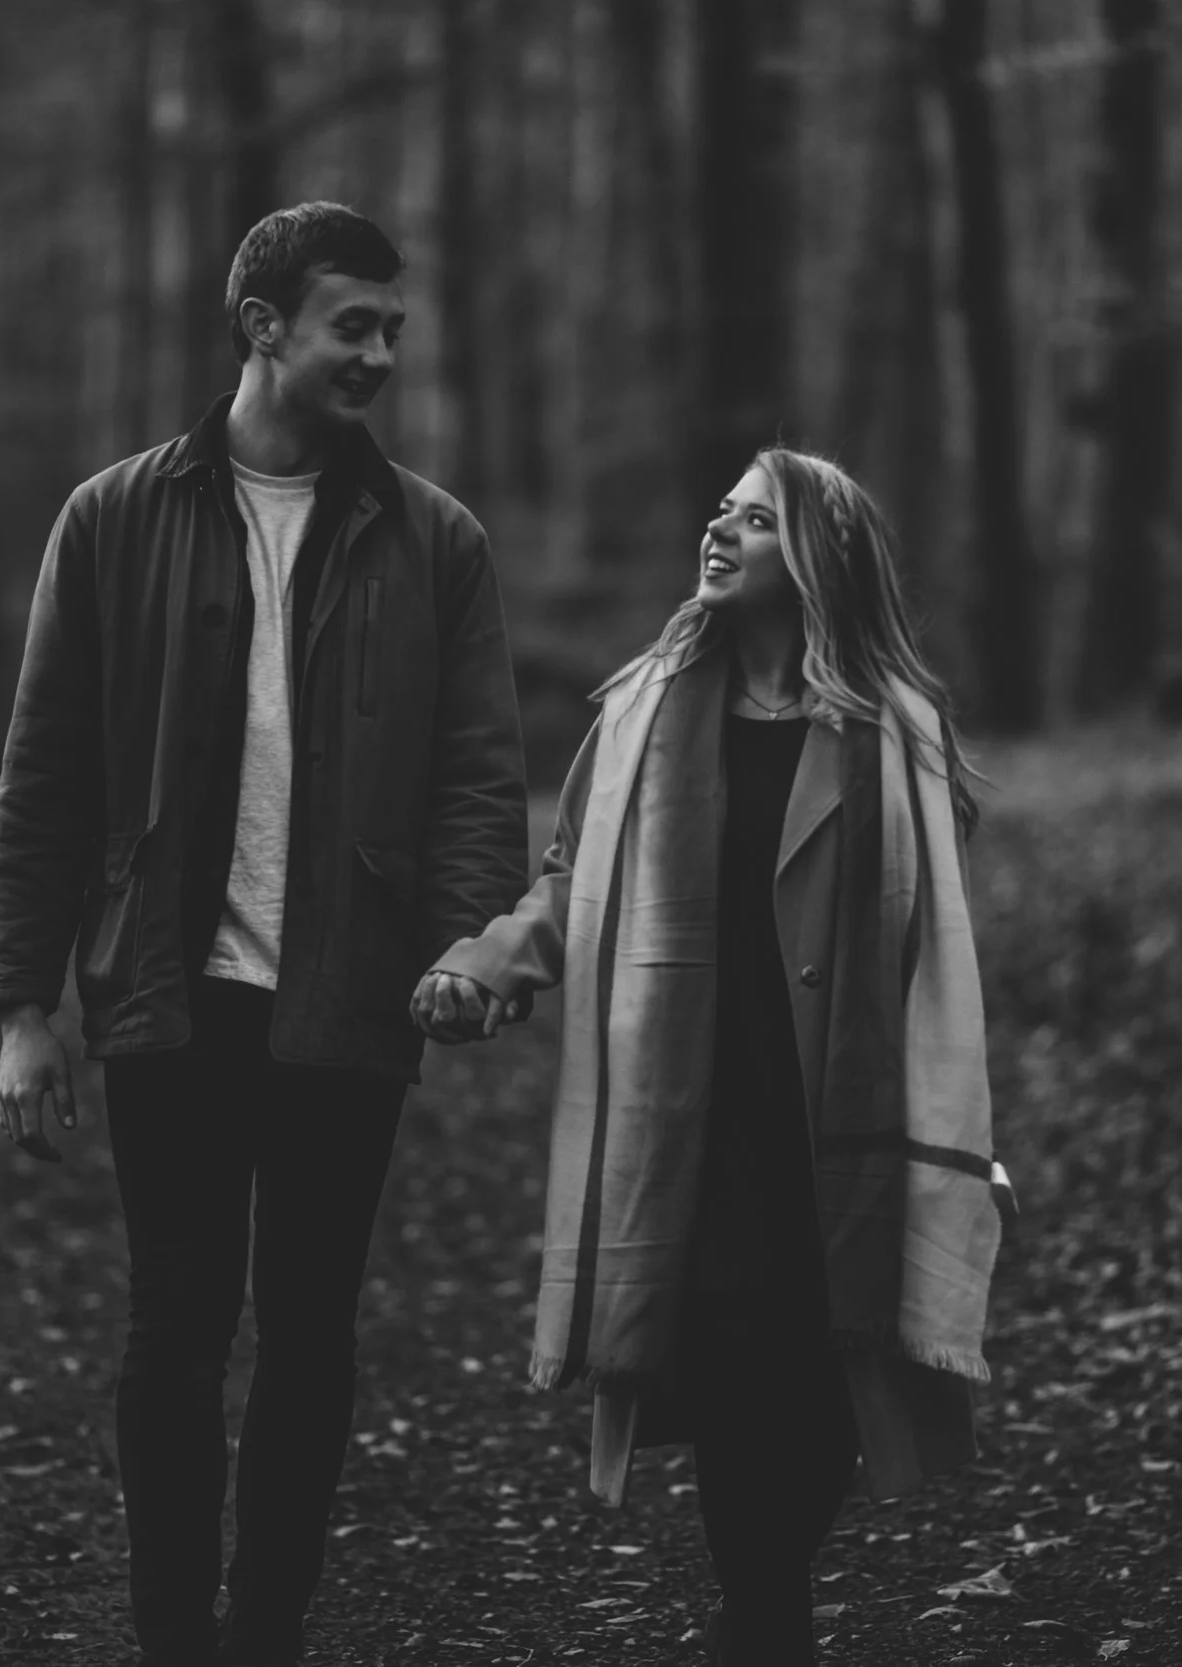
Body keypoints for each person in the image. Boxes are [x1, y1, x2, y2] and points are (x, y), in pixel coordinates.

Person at [0, 201, 528, 1667]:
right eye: (355, 323)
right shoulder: (111, 519)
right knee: (176, 1323)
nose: (381, 354)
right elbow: (49, 771)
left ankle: (264, 1627)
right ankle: (173, 1634)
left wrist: (468, 946)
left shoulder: (437, 541)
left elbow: (479, 770)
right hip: (173, 987)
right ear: (263, 323)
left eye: (394, 330)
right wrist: (25, 1001)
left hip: (349, 995)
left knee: (310, 1333)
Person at [413, 448, 1006, 1665]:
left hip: (838, 1123)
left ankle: (756, 1617)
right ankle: (769, 1631)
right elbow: (572, 879)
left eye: (759, 520)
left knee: (831, 1394)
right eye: (721, 511)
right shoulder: (643, 713)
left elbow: (928, 930)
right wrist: (485, 960)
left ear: (821, 558)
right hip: (695, 1117)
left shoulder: (895, 735)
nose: (720, 530)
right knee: (741, 1388)